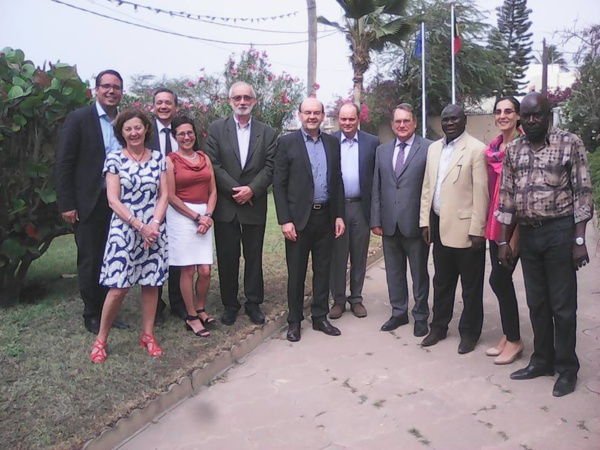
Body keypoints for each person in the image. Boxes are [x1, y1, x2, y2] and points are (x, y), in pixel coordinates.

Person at [496, 92, 594, 397]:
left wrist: (579, 239)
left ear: (548, 115)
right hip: (529, 234)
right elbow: (507, 197)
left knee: (563, 306)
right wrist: (503, 240)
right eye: (526, 116)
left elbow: (583, 192)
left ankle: (567, 368)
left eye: (537, 115)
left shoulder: (569, 142)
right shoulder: (514, 150)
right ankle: (542, 360)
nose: (531, 120)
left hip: (560, 232)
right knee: (536, 302)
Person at [89, 109, 169, 363]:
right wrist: (139, 226)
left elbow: (164, 195)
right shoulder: (114, 159)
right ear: (121, 133)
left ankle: (148, 334)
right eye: (128, 129)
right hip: (125, 230)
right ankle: (101, 338)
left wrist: (153, 225)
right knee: (119, 287)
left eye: (138, 127)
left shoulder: (159, 159)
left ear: (146, 128)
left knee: (151, 284)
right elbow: (113, 199)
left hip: (155, 230)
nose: (133, 133)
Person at [56, 69, 129, 334]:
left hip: (120, 203)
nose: (111, 91)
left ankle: (110, 311)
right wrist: (67, 203)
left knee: (114, 257)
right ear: (96, 89)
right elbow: (64, 162)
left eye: (116, 87)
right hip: (89, 201)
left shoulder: (124, 120)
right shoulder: (79, 119)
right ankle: (92, 313)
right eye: (106, 86)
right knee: (90, 258)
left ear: (122, 91)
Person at [273, 97, 345, 342]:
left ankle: (319, 317)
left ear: (323, 115)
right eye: (307, 112)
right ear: (300, 114)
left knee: (323, 270)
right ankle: (294, 322)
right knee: (297, 273)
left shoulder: (332, 143)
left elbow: (337, 181)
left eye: (316, 113)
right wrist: (285, 220)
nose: (312, 117)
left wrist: (338, 215)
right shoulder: (286, 143)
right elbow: (279, 185)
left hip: (325, 216)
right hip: (298, 220)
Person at [205, 81, 277, 326]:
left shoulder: (267, 132)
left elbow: (270, 166)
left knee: (253, 256)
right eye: (237, 98)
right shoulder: (216, 129)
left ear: (254, 101)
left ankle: (253, 303)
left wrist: (252, 190)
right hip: (226, 205)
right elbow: (213, 164)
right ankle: (230, 304)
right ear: (230, 101)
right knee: (228, 257)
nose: (242, 102)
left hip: (253, 205)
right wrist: (236, 189)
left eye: (247, 97)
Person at [419, 104, 489, 354]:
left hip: (467, 229)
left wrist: (478, 229)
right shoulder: (434, 148)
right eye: (445, 119)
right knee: (442, 282)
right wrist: (425, 221)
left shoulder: (476, 150)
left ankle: (469, 333)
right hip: (439, 225)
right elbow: (428, 187)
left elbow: (482, 193)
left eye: (454, 119)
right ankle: (438, 327)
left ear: (464, 120)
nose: (449, 123)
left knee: (471, 287)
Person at [371, 103, 431, 337]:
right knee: (393, 272)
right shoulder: (382, 151)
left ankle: (421, 315)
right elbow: (377, 186)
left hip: (416, 224)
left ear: (414, 123)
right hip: (389, 223)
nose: (402, 125)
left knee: (419, 273)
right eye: (398, 121)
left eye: (407, 121)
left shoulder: (427, 148)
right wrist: (376, 219)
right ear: (392, 124)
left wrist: (428, 222)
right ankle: (398, 312)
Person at [166, 116, 217, 338]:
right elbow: (169, 196)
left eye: (190, 133)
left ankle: (201, 307)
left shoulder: (205, 158)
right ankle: (191, 316)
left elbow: (213, 190)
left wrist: (207, 215)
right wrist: (196, 217)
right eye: (181, 134)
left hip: (204, 214)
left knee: (205, 270)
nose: (186, 137)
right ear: (174, 137)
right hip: (181, 216)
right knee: (187, 269)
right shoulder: (170, 160)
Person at [329, 103, 379, 320]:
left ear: (359, 119)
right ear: (338, 120)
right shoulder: (329, 141)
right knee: (337, 255)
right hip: (337, 208)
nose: (347, 123)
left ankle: (356, 298)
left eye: (351, 119)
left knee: (359, 255)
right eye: (343, 119)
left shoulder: (372, 142)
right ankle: (338, 300)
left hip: (361, 207)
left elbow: (377, 178)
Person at [484, 96, 524, 365]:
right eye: (498, 111)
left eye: (508, 111)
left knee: (498, 280)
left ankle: (516, 340)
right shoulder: (494, 148)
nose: (503, 116)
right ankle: (508, 334)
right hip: (494, 223)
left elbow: (523, 196)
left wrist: (514, 239)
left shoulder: (523, 148)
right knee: (500, 281)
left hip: (514, 227)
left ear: (518, 116)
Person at [147, 88, 186, 324]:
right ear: (153, 106)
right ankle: (157, 305)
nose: (163, 106)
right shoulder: (145, 132)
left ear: (175, 107)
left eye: (168, 103)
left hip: (179, 202)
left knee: (177, 254)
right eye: (159, 102)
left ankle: (178, 303)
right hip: (152, 204)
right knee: (155, 254)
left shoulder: (182, 132)